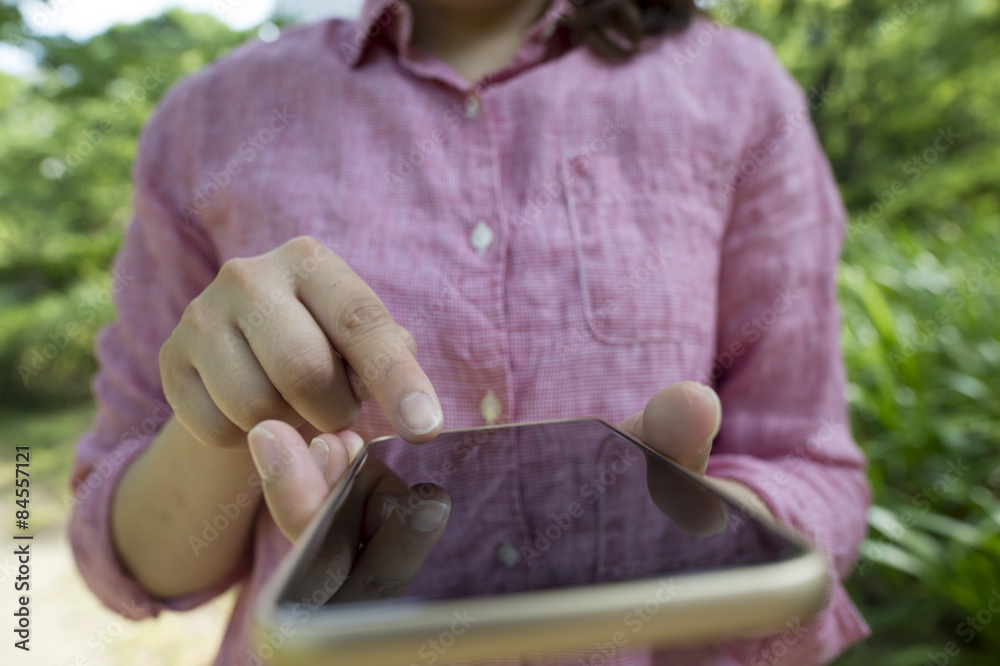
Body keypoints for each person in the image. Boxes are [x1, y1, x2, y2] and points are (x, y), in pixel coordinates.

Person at [68, 0, 872, 663]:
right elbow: (129, 561)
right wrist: (232, 406)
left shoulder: (736, 89)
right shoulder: (207, 121)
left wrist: (663, 532)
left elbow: (813, 466)